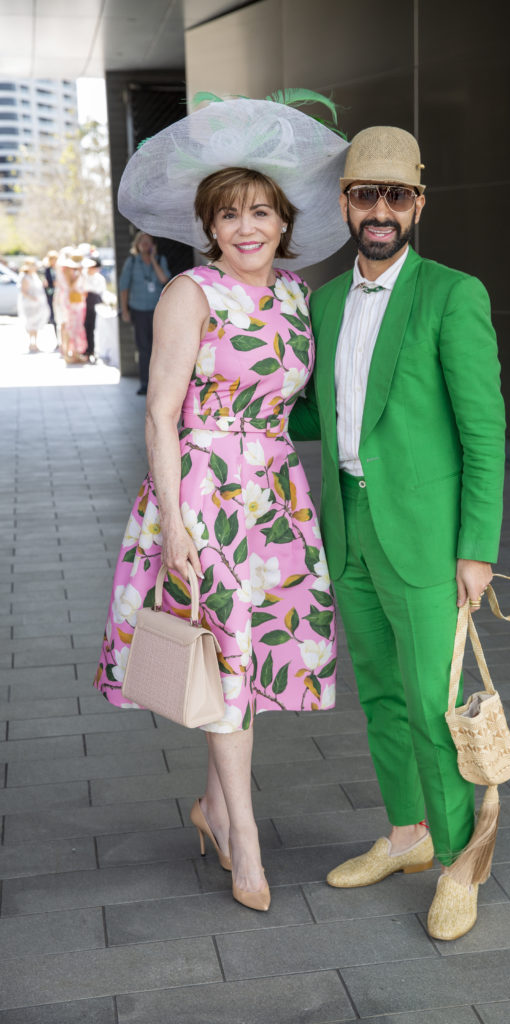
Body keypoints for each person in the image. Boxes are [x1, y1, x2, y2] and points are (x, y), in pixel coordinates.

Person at [95, 93, 350, 913]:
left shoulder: (297, 296)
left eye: (260, 212)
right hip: (206, 497)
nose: (246, 227)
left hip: (276, 498)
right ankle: (244, 835)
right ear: (208, 224)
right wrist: (175, 527)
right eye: (229, 214)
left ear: (284, 221)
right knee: (233, 665)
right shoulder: (191, 292)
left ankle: (210, 807)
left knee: (241, 665)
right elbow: (159, 416)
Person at [289, 126, 506, 941]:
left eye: (396, 196)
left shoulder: (452, 294)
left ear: (418, 203)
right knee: (381, 696)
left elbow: (483, 431)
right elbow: (318, 412)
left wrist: (475, 549)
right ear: (344, 205)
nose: (379, 211)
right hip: (347, 526)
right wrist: (232, 392)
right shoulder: (323, 302)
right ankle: (408, 834)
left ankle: (459, 863)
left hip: (424, 538)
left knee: (431, 704)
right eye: (364, 195)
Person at [118, 232, 170, 394]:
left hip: (157, 311)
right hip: (138, 310)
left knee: (159, 347)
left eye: (148, 241)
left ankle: (159, 384)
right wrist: (124, 310)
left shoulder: (160, 260)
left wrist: (153, 260)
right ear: (137, 244)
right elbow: (124, 287)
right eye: (142, 241)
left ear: (153, 245)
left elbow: (164, 279)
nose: (145, 243)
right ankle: (145, 383)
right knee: (143, 348)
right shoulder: (132, 262)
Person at [17, 257, 49, 352]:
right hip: (30, 304)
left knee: (36, 323)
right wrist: (33, 298)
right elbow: (23, 291)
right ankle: (32, 343)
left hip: (37, 303)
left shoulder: (35, 276)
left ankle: (35, 343)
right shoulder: (25, 277)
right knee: (31, 323)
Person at [83, 254, 107, 361]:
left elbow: (102, 292)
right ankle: (85, 350)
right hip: (83, 305)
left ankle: (91, 350)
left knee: (91, 328)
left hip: (94, 305)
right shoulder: (83, 276)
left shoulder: (100, 278)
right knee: (84, 328)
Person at [42, 250, 58, 328]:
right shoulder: (47, 269)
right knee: (52, 308)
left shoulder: (59, 269)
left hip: (59, 291)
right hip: (51, 291)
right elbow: (46, 280)